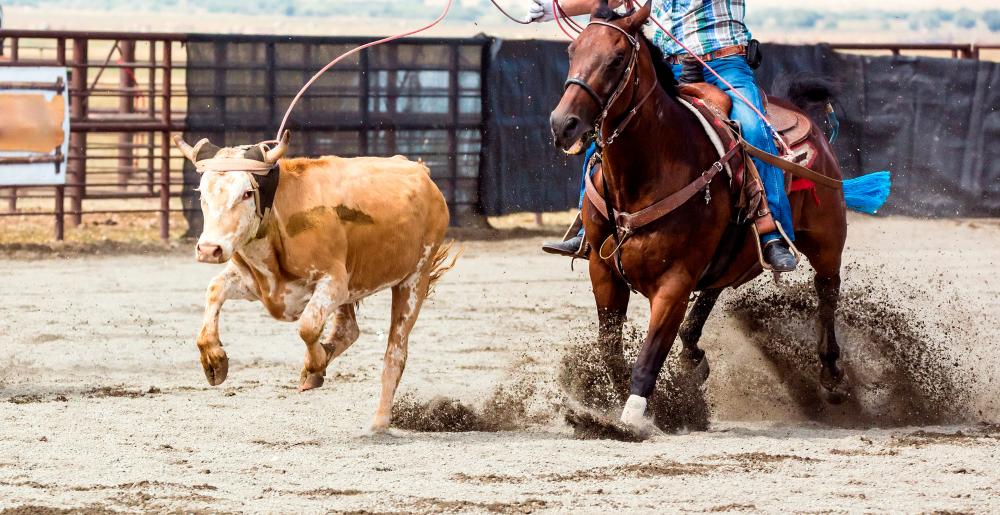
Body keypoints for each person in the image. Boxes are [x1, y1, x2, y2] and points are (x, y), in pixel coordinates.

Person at [531, 0, 798, 271]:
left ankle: (772, 232)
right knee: (609, 129)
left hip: (724, 64)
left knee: (752, 128)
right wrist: (556, 9)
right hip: (669, 68)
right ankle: (586, 227)